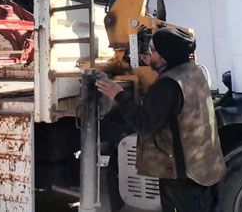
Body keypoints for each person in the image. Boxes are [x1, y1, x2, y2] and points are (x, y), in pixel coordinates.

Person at [97, 27, 226, 212]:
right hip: (204, 168)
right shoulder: (193, 72)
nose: (150, 55)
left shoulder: (167, 86)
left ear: (166, 56)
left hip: (182, 177)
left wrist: (118, 95)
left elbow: (143, 123)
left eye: (153, 51)